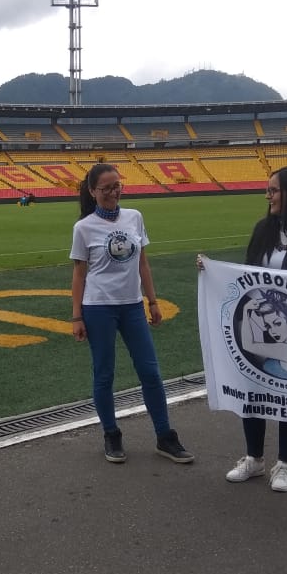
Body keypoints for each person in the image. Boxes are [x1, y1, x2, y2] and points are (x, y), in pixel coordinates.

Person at [202, 165, 287, 491]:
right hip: (259, 323)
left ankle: (285, 464)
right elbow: (245, 274)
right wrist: (211, 271)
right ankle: (253, 458)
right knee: (253, 390)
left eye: (274, 190)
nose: (268, 195)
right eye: (268, 190)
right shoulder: (263, 228)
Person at [70, 163, 193, 464]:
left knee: (150, 371)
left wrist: (152, 301)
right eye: (106, 188)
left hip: (132, 305)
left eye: (117, 186)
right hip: (98, 306)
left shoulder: (134, 217)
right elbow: (79, 274)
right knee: (104, 373)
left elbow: (143, 264)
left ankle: (165, 437)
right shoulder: (84, 228)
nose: (113, 193)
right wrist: (76, 317)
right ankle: (111, 434)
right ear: (92, 192)